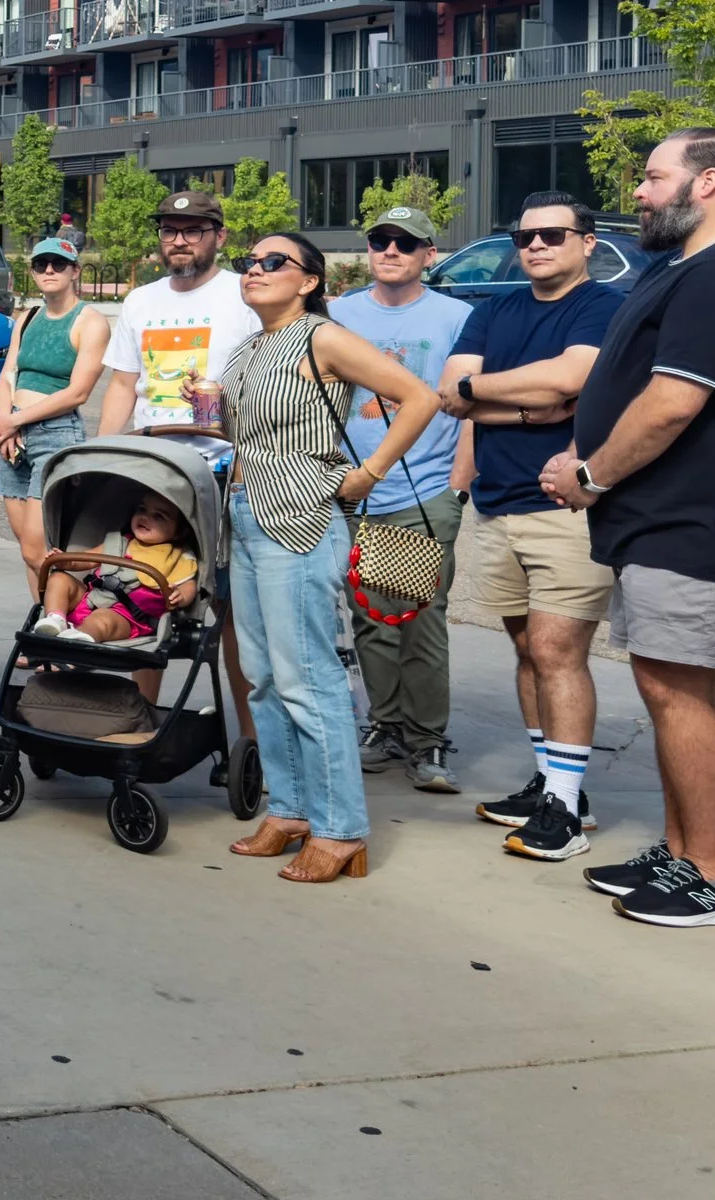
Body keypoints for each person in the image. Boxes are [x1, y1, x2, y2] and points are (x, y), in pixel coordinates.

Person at [543, 129, 715, 928]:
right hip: (668, 518)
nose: (638, 192)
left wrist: (592, 475)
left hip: (703, 518)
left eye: (654, 176)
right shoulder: (695, 266)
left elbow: (671, 402)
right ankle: (680, 849)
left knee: (681, 687)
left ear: (707, 183)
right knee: (664, 684)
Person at [221, 234, 440, 883]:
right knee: (263, 676)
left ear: (310, 280)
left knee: (307, 677)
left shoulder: (323, 338)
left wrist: (369, 472)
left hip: (301, 519)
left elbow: (420, 397)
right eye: (248, 262)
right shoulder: (248, 347)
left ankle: (340, 827)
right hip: (246, 514)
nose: (255, 270)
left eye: (273, 262)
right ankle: (290, 810)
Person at [436, 192, 622, 862]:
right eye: (525, 236)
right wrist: (526, 408)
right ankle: (552, 783)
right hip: (498, 504)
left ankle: (566, 811)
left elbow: (567, 379)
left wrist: (483, 392)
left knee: (556, 650)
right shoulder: (493, 310)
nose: (536, 245)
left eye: (552, 234)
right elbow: (450, 392)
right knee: (526, 651)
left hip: (567, 510)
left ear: (587, 243)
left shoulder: (605, 307)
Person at [95, 188, 261, 738]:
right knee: (147, 600)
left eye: (193, 230)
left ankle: (252, 745)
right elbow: (124, 384)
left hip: (226, 476)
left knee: (234, 616)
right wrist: (104, 456)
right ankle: (141, 725)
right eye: (170, 230)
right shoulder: (140, 301)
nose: (180, 240)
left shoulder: (244, 295)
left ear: (219, 236)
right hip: (155, 474)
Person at [331, 203, 472, 791]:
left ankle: (426, 739)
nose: (391, 251)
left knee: (417, 620)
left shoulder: (455, 316)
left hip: (422, 488)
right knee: (370, 619)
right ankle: (385, 725)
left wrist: (458, 486)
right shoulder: (338, 313)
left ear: (428, 255)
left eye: (406, 243)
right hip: (349, 490)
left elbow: (470, 406)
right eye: (380, 240)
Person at [0, 236, 109, 603]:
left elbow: (78, 393)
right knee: (26, 548)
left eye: (59, 264)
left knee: (37, 548)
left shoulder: (90, 321)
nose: (49, 271)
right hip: (12, 436)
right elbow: (8, 375)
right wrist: (5, 421)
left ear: (75, 271)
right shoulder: (27, 318)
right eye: (41, 264)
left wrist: (16, 420)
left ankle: (72, 617)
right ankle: (44, 623)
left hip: (55, 436)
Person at [33, 488, 199, 644]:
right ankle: (56, 619)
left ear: (179, 531)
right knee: (58, 578)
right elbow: (87, 559)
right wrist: (66, 562)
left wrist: (180, 596)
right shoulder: (119, 543)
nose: (145, 517)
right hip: (92, 598)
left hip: (128, 617)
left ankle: (80, 636)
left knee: (102, 619)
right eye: (142, 509)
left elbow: (188, 584)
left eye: (159, 516)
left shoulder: (177, 557)